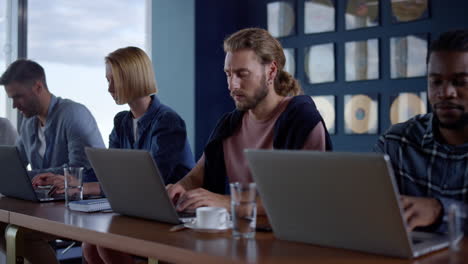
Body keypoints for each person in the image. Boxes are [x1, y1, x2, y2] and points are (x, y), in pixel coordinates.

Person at [167, 28, 332, 215]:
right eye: (228, 74)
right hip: (238, 235)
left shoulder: (303, 121)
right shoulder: (229, 125)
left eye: (242, 74)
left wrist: (227, 203)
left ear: (270, 72)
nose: (232, 86)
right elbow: (198, 175)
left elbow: (302, 200)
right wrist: (179, 187)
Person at [82, 46, 195, 264]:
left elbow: (152, 180)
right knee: (90, 244)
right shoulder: (121, 121)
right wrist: (74, 180)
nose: (109, 88)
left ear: (132, 79)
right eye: (108, 81)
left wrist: (92, 186)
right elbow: (110, 170)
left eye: (113, 80)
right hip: (137, 211)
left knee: (106, 245)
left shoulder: (168, 121)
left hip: (172, 214)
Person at [0, 59, 105, 263]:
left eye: (18, 97)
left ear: (38, 87)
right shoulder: (29, 124)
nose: (14, 105)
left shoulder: (73, 114)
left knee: (20, 233)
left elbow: (81, 171)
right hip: (49, 206)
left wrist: (26, 178)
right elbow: (17, 164)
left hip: (80, 208)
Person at [375, 30, 468, 232]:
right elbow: (371, 211)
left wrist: (439, 210)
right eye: (436, 82)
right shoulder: (396, 143)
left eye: (461, 82)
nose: (445, 93)